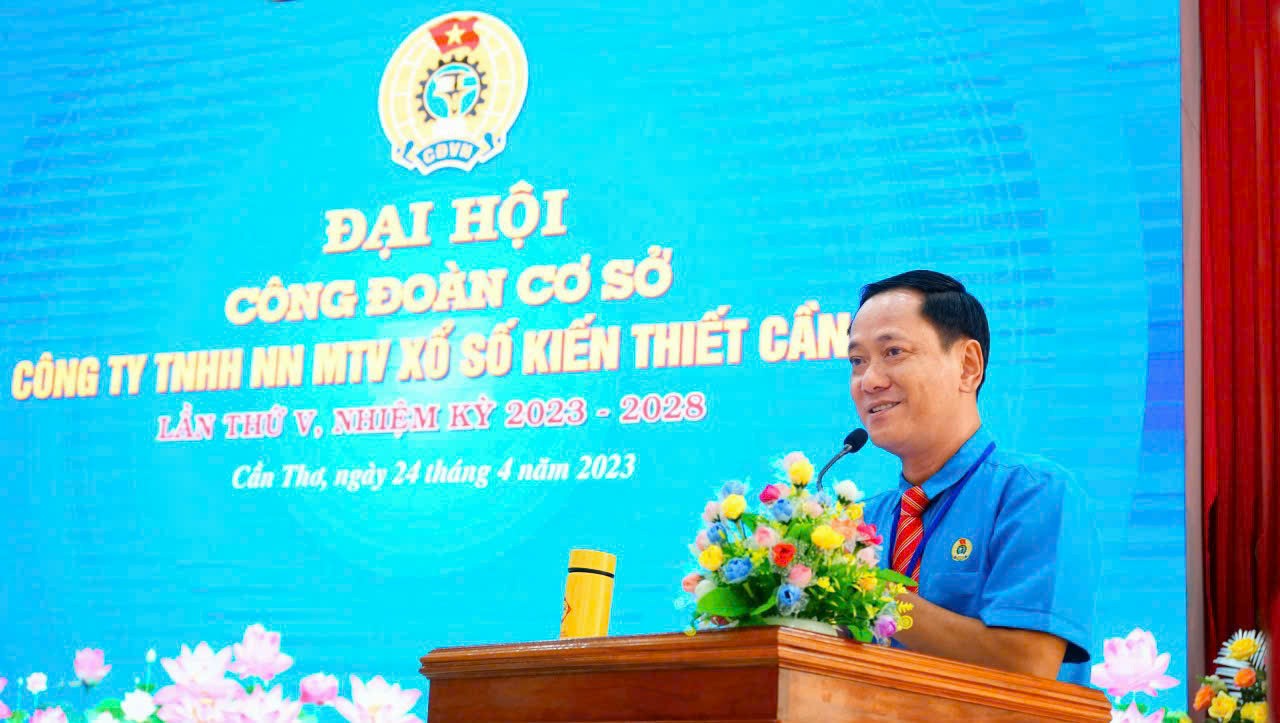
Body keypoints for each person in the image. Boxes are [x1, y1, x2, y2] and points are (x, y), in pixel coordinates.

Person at [849, 270, 1098, 685]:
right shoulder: (857, 523)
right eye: (857, 361)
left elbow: (1028, 664)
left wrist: (872, 595)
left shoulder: (1034, 495)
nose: (870, 380)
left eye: (893, 352)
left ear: (967, 366)